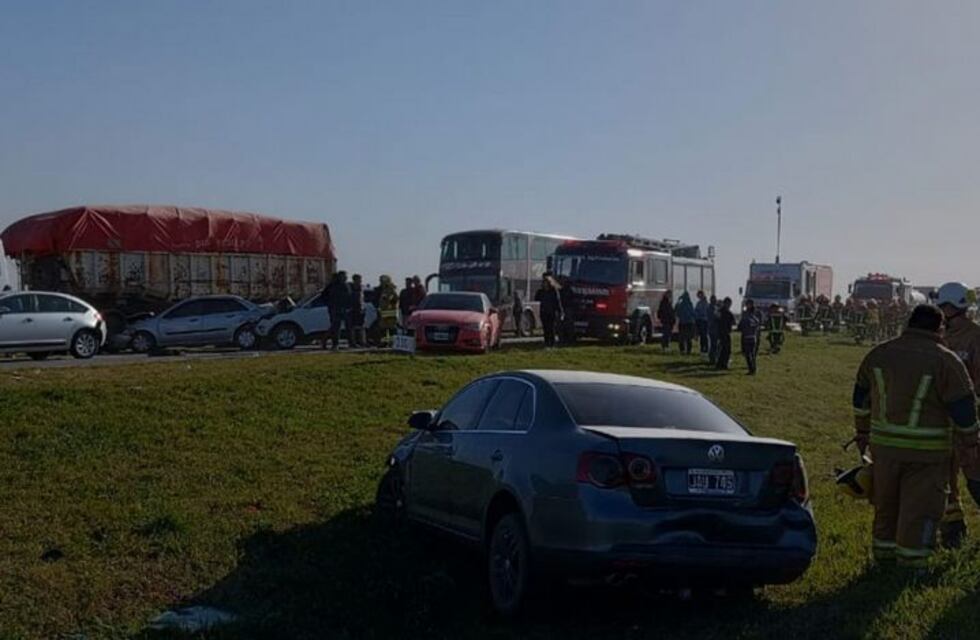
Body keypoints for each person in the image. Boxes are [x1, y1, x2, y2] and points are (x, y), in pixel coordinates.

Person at [851, 305, 979, 569]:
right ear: (939, 328)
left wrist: (862, 431)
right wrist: (970, 443)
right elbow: (964, 408)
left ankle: (883, 559)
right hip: (927, 454)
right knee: (920, 509)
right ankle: (912, 565)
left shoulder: (879, 354)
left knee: (886, 505)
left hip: (883, 450)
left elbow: (860, 397)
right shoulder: (945, 360)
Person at [935, 283, 980, 546]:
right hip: (941, 419)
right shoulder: (940, 337)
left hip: (968, 418)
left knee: (973, 470)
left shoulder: (975, 337)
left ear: (951, 307)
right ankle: (954, 531)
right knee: (945, 474)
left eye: (942, 307)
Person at [325, 271, 353, 350]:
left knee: (349, 327)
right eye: (344, 276)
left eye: (346, 276)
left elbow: (350, 297)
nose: (345, 277)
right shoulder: (333, 285)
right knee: (336, 327)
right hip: (335, 308)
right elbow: (324, 295)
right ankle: (335, 344)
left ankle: (351, 343)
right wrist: (330, 304)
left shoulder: (347, 285)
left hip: (345, 308)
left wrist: (349, 306)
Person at [534, 273, 563, 348]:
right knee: (545, 328)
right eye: (544, 283)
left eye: (546, 283)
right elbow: (536, 298)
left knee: (551, 328)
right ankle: (547, 343)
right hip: (544, 312)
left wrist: (560, 311)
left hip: (551, 312)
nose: (545, 284)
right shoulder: (541, 292)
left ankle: (552, 343)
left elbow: (557, 302)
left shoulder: (553, 291)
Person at [738, 298, 763, 375]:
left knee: (749, 354)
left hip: (750, 336)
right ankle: (753, 368)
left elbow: (742, 325)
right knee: (750, 353)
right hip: (749, 336)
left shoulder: (751, 314)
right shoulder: (751, 315)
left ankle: (752, 369)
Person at [376, 275, 399, 346]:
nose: (381, 283)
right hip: (384, 312)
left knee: (391, 329)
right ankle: (384, 342)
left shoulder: (391, 289)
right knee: (383, 329)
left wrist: (389, 303)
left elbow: (394, 299)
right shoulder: (384, 289)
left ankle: (392, 343)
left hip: (390, 312)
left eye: (382, 281)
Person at [715, 297, 735, 370]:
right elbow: (733, 322)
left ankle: (721, 364)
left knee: (724, 349)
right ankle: (722, 364)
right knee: (725, 349)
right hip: (724, 333)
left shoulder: (720, 312)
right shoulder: (726, 312)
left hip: (723, 332)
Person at [349, 274, 366, 348]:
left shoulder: (361, 288)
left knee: (361, 326)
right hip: (353, 309)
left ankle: (362, 342)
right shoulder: (350, 287)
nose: (360, 281)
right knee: (352, 326)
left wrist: (363, 308)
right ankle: (353, 342)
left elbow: (362, 299)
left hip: (360, 309)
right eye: (358, 279)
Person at [695, 290, 710, 355]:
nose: (699, 296)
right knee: (702, 336)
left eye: (699, 295)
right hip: (700, 320)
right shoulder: (699, 303)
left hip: (704, 321)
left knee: (704, 335)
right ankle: (702, 349)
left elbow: (704, 312)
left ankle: (705, 349)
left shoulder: (704, 303)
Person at [707, 295, 720, 365]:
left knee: (713, 344)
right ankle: (713, 359)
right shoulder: (713, 308)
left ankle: (713, 358)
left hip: (711, 328)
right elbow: (716, 317)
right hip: (714, 328)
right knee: (714, 345)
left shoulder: (710, 308)